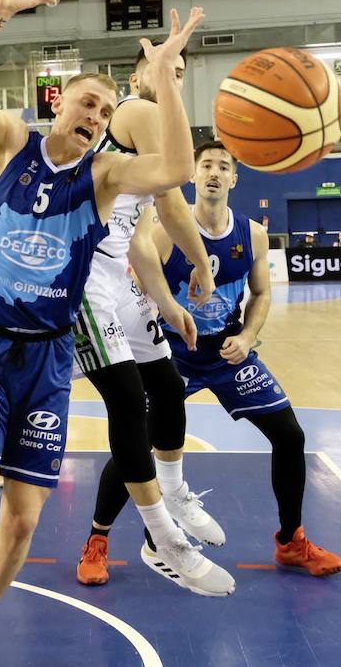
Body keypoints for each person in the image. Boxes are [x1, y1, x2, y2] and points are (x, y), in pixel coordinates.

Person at [0, 0, 226, 667]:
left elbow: (178, 166)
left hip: (49, 358)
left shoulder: (108, 176)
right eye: (88, 100)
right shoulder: (8, 142)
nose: (96, 112)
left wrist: (167, 81)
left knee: (20, 523)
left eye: (107, 107)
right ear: (62, 102)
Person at [78, 140, 341, 582]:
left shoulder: (253, 234)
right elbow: (137, 286)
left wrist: (248, 334)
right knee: (135, 443)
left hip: (225, 351)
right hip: (169, 353)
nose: (215, 172)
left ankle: (291, 541)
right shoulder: (163, 231)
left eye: (224, 166)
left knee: (289, 434)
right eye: (206, 165)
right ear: (192, 175)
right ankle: (97, 538)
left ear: (235, 178)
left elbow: (261, 294)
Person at [71, 41, 229, 588]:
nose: (173, 79)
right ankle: (161, 535)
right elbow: (170, 203)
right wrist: (203, 263)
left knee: (165, 385)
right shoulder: (139, 111)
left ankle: (175, 492)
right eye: (164, 70)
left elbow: (139, 240)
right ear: (138, 77)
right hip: (84, 278)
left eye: (182, 72)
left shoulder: (148, 127)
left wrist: (164, 302)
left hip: (119, 279)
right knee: (129, 401)